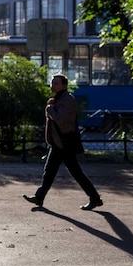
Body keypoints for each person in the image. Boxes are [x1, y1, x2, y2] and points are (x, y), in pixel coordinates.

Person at [23, 74, 103, 210]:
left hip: (65, 143)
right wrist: (52, 106)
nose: (52, 85)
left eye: (56, 83)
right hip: (59, 142)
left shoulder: (67, 99)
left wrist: (49, 109)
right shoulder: (59, 99)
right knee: (51, 171)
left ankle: (95, 198)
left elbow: (59, 118)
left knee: (72, 172)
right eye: (52, 83)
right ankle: (39, 197)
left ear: (64, 86)